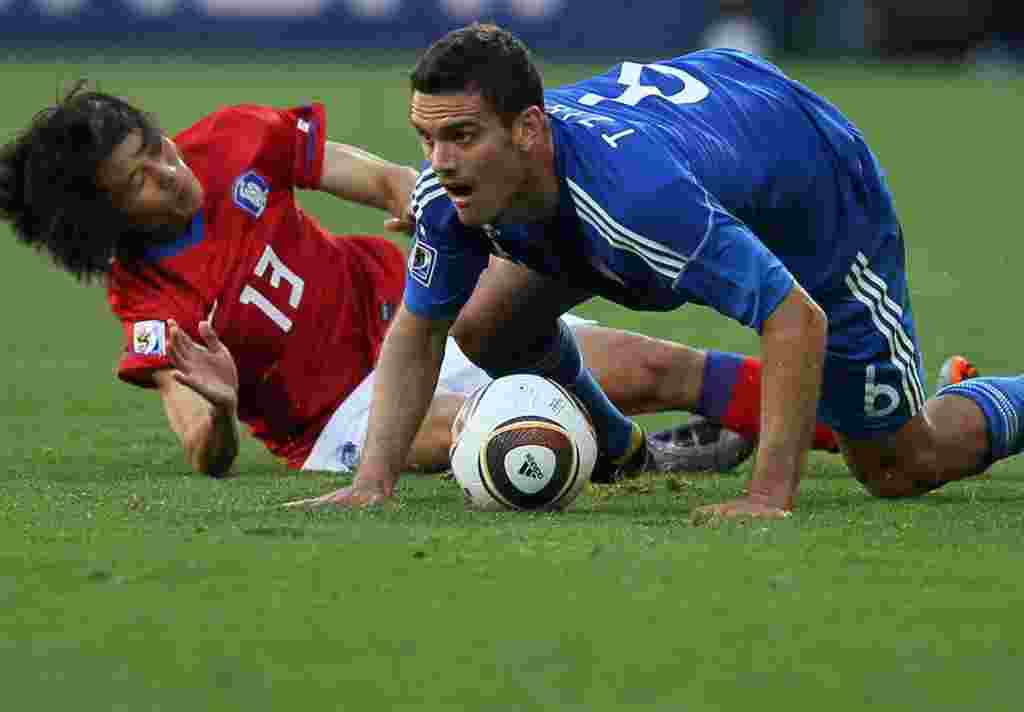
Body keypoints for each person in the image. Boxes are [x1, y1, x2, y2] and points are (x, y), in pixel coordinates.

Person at [307, 23, 1013, 520]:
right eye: (427, 138)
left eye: (462, 135)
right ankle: (623, 451)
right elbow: (419, 329)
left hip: (808, 178)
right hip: (703, 131)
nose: (441, 161)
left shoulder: (638, 202)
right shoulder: (451, 194)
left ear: (528, 130)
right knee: (485, 324)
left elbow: (795, 318)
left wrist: (767, 497)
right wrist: (373, 483)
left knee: (896, 463)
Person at [0, 83, 803, 479]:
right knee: (490, 426)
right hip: (337, 417)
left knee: (654, 365)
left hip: (411, 304)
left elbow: (385, 182)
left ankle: (865, 419)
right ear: (104, 217)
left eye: (158, 147)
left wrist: (434, 218)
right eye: (140, 180)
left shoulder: (233, 142)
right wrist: (215, 407)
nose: (170, 174)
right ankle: (642, 463)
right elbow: (204, 452)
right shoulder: (147, 302)